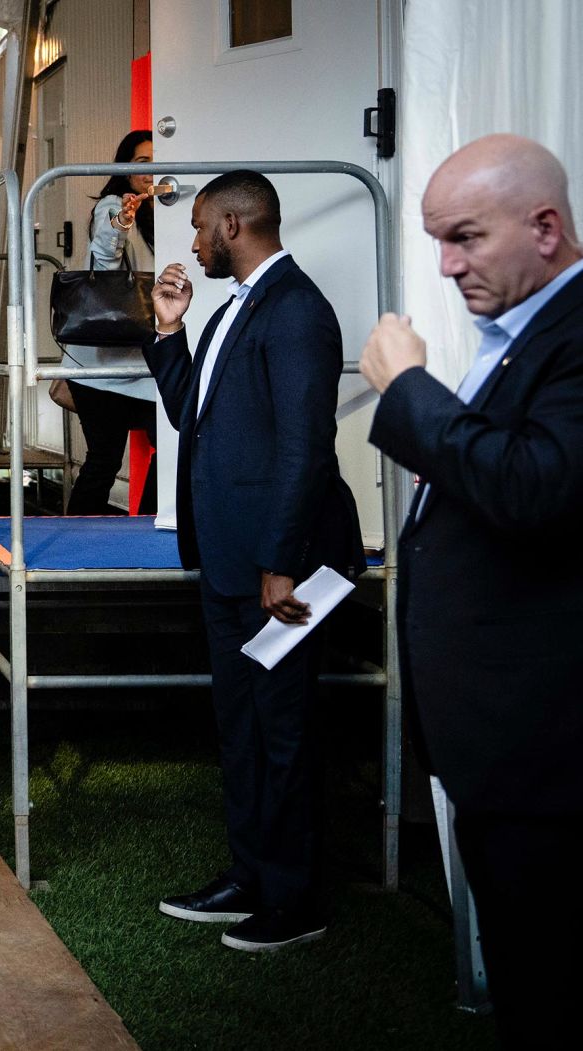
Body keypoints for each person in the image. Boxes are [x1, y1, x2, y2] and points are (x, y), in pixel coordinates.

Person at [360, 134, 583, 1046]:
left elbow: (535, 486)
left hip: (549, 748)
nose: (447, 266)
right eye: (437, 242)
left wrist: (409, 389)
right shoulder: (524, 334)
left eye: (465, 239)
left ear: (545, 227)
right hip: (508, 739)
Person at [146, 170, 363, 952]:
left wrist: (280, 564)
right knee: (241, 727)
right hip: (230, 562)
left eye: (200, 225)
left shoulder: (297, 309)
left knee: (284, 731)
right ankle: (251, 876)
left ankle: (297, 899)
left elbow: (306, 449)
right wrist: (170, 330)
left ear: (233, 225)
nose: (193, 241)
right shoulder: (232, 309)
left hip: (283, 571)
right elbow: (190, 416)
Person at [51, 130, 159, 514]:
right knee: (104, 460)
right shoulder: (115, 204)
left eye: (157, 162)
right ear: (125, 169)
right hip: (99, 364)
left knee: (175, 441)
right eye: (142, 163)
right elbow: (105, 249)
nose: (150, 171)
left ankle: (147, 524)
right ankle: (73, 543)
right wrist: (122, 221)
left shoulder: (164, 213)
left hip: (141, 362)